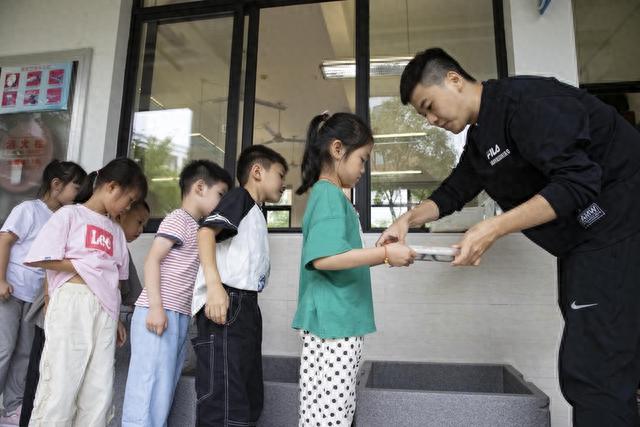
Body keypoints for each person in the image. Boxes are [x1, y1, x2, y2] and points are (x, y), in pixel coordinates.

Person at [378, 47, 640, 427]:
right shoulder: (483, 138)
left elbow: (578, 181)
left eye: (430, 106)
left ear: (454, 79)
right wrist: (407, 219)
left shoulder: (526, 104)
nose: (432, 120)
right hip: (584, 245)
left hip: (619, 228)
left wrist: (492, 227)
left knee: (594, 371)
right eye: (424, 115)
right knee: (615, 360)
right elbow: (453, 191)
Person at [291, 112, 416, 426]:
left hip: (337, 322)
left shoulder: (331, 197)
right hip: (334, 325)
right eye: (362, 159)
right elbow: (324, 259)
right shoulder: (329, 195)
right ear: (337, 150)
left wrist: (378, 250)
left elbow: (338, 253)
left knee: (328, 413)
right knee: (331, 417)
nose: (363, 169)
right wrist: (385, 254)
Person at [23, 157, 147, 426]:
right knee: (61, 382)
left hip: (104, 310)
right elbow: (40, 257)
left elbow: (116, 280)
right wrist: (84, 265)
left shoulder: (115, 230)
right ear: (112, 187)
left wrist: (115, 320)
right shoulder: (70, 214)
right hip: (72, 303)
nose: (129, 207)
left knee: (99, 389)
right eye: (130, 199)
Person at [122, 160, 232, 427]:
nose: (221, 203)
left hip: (177, 315)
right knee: (146, 386)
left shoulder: (199, 227)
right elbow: (152, 260)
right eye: (220, 195)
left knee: (163, 388)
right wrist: (157, 308)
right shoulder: (178, 219)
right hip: (157, 311)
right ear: (199, 187)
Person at [191, 145, 288, 426]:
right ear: (257, 171)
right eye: (280, 174)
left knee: (247, 395)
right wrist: (214, 287)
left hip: (246, 307)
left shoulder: (256, 212)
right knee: (224, 401)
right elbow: (206, 232)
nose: (283, 183)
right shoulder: (239, 198)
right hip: (227, 303)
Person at [0, 160, 86, 426]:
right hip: (11, 290)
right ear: (56, 185)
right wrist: (0, 279)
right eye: (76, 187)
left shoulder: (66, 217)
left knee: (25, 353)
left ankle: (12, 407)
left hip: (36, 298)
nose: (79, 194)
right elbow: (4, 240)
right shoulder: (28, 210)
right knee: (4, 348)